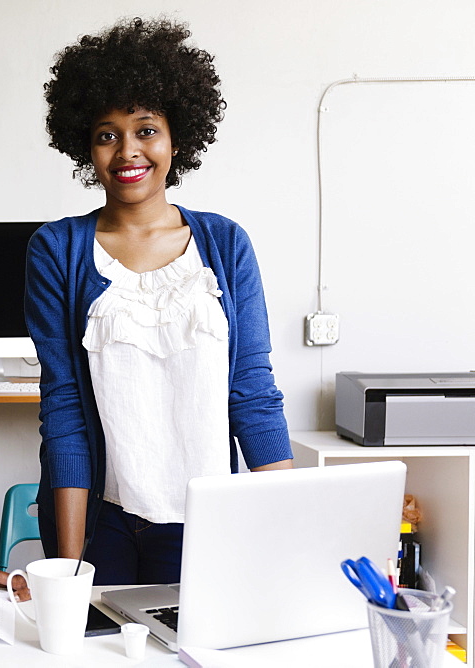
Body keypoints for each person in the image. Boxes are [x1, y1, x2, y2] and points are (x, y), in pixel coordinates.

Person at [26, 17, 293, 588]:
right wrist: (70, 569)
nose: (128, 151)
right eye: (106, 134)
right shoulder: (57, 249)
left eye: (146, 130)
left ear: (176, 137)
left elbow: (251, 391)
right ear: (85, 145)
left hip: (206, 516)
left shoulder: (224, 244)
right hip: (99, 522)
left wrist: (292, 529)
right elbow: (65, 408)